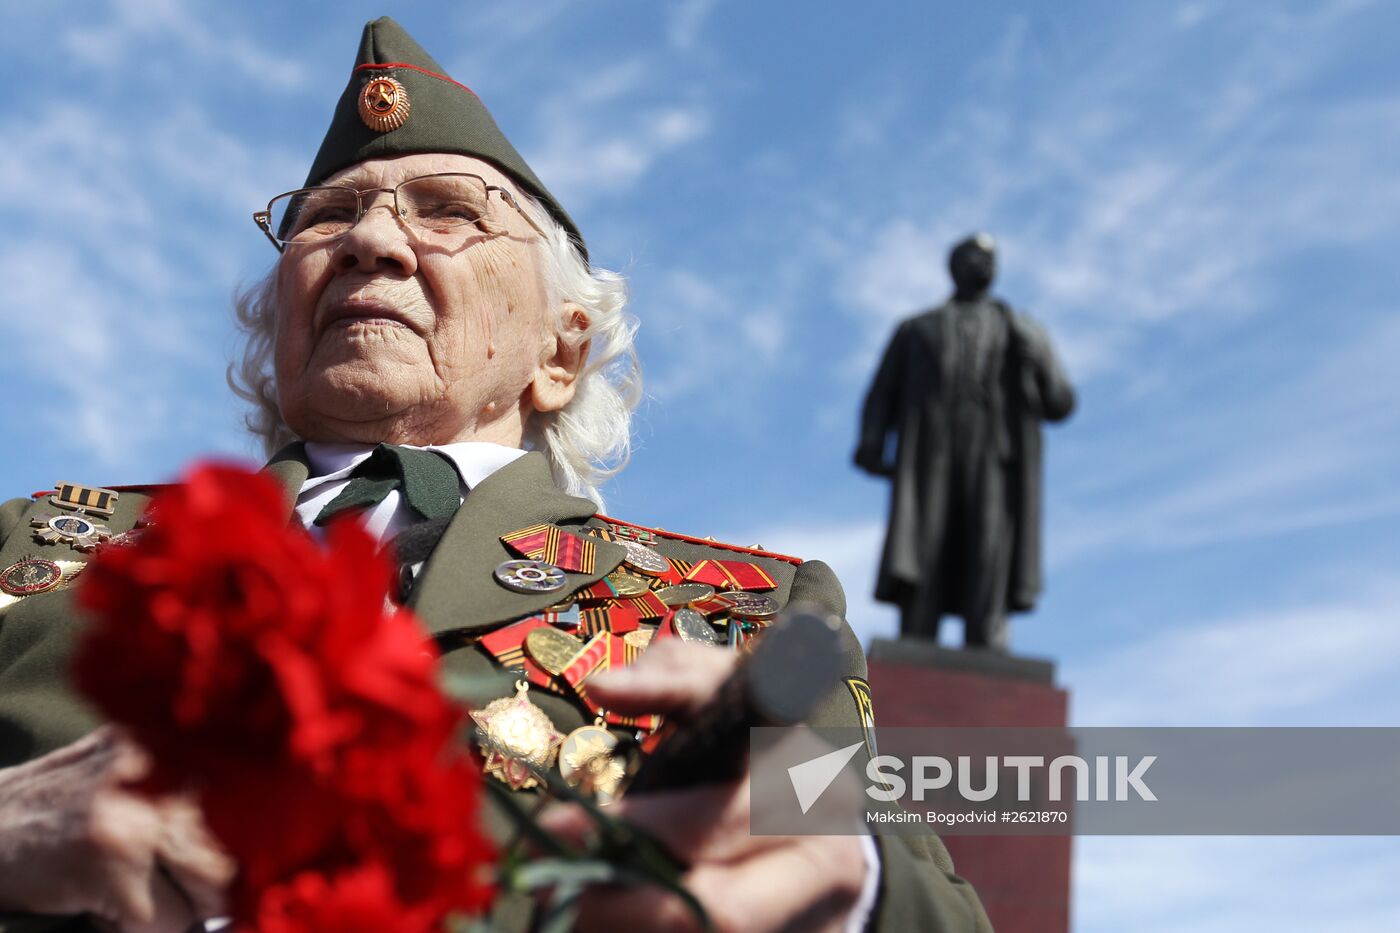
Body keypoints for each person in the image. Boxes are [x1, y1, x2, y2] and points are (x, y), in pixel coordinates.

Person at [0, 17, 990, 933]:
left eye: (446, 213)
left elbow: (902, 887)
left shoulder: (744, 617)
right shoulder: (32, 543)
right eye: (330, 214)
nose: (370, 241)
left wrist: (843, 879)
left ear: (559, 353)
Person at [855, 234, 1075, 651]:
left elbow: (1061, 402)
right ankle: (917, 637)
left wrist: (1036, 364)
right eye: (973, 256)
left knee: (990, 547)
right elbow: (883, 391)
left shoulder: (1022, 330)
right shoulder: (918, 329)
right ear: (953, 266)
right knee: (925, 543)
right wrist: (872, 443)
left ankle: (988, 643)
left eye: (991, 257)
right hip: (930, 456)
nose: (984, 263)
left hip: (996, 458)